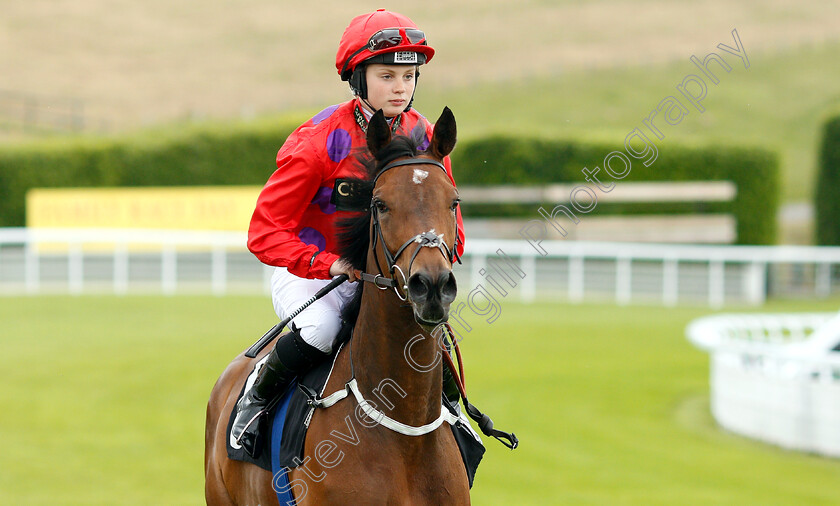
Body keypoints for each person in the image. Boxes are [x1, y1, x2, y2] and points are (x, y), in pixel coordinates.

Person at [231, 9, 466, 457]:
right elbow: (263, 233)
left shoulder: (426, 137)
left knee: (429, 339)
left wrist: (437, 264)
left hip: (390, 273)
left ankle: (456, 421)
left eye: (409, 76)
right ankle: (254, 400)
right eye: (387, 76)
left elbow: (450, 220)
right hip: (316, 270)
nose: (401, 87)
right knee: (322, 328)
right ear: (357, 78)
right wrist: (329, 264)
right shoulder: (317, 142)